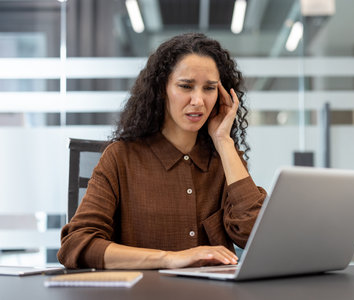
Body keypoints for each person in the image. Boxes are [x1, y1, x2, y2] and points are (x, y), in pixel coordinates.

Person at [57, 33, 267, 270]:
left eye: (209, 88)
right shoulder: (120, 158)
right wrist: (169, 258)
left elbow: (256, 236)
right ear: (161, 89)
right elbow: (76, 244)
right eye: (185, 86)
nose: (198, 100)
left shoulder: (224, 159)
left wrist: (224, 141)